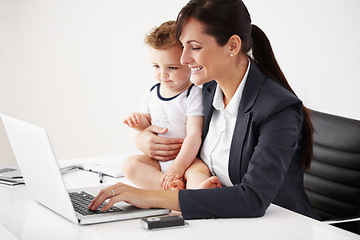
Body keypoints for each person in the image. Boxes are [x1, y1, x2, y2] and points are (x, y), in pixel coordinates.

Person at [89, 0, 319, 220]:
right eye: (183, 46)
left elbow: (253, 199)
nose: (184, 59)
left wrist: (153, 198)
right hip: (224, 219)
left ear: (232, 45)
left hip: (281, 226)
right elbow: (186, 136)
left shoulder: (278, 109)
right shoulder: (207, 89)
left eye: (195, 47)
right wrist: (144, 139)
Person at [122, 20, 221, 190]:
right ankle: (170, 188)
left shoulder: (193, 94)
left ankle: (199, 190)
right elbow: (148, 123)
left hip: (186, 159)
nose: (163, 75)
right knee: (130, 165)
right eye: (156, 66)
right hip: (157, 161)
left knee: (198, 171)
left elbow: (193, 135)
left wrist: (179, 167)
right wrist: (139, 122)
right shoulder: (152, 92)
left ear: (189, 63)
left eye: (172, 68)